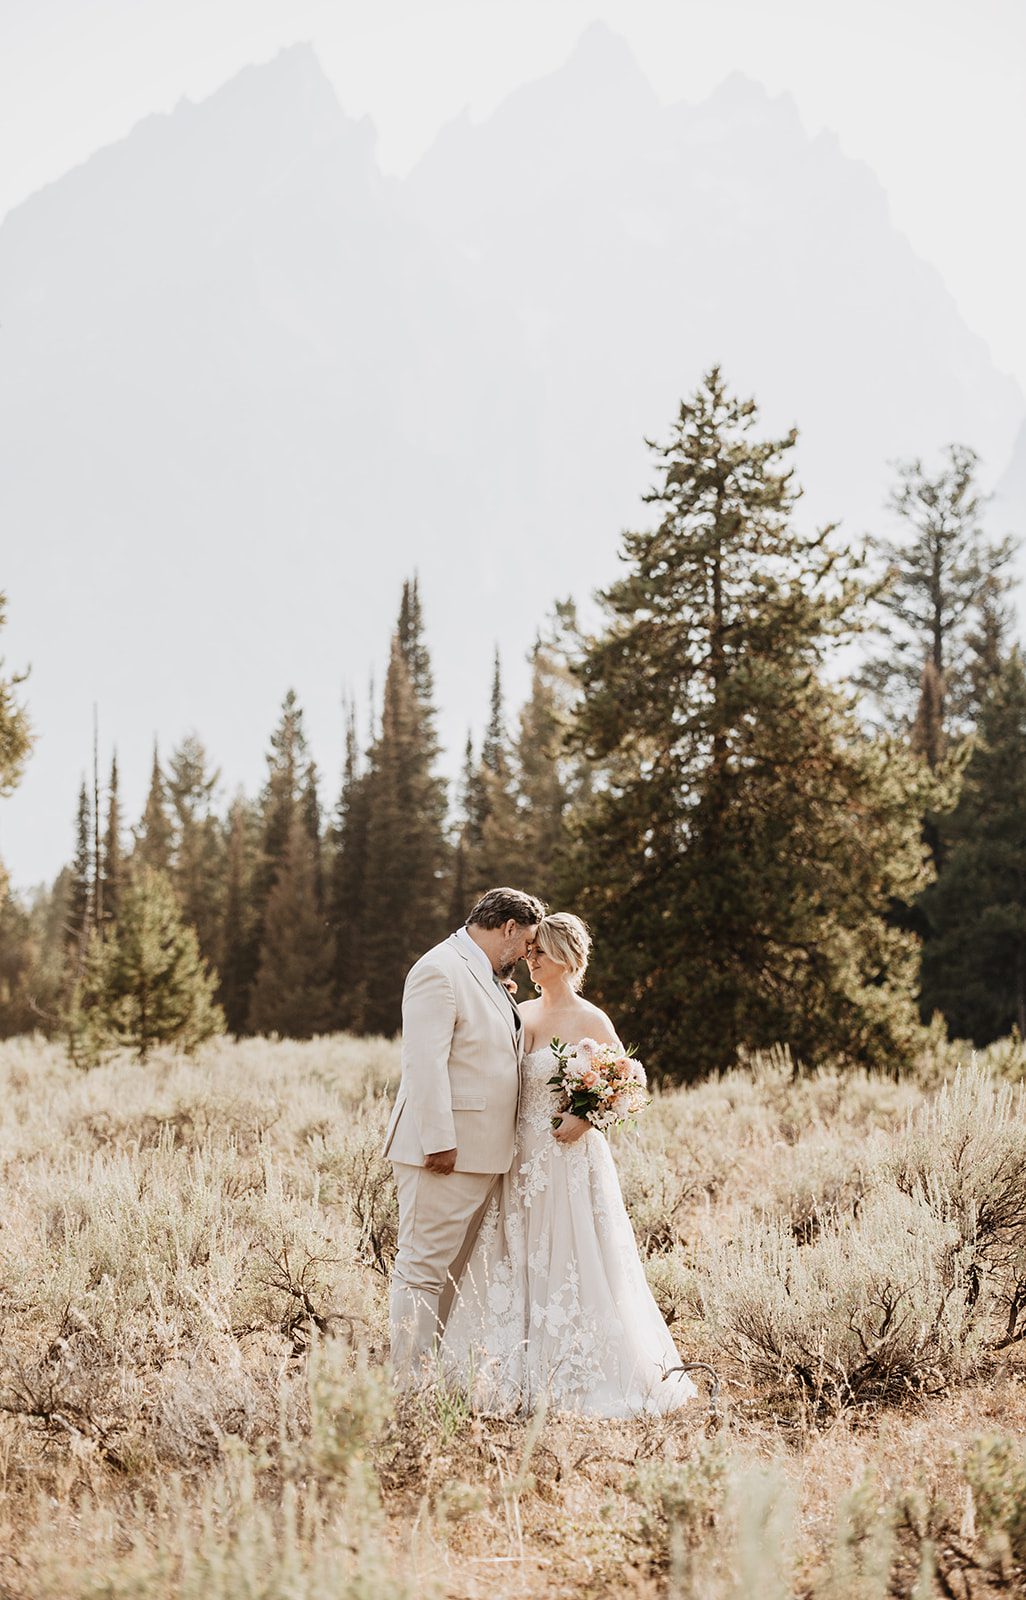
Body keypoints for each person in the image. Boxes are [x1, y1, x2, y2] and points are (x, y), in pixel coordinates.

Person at [440, 911, 698, 1416]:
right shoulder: (521, 1013)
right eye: (529, 951)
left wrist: (586, 1116)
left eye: (539, 952)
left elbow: (629, 1084)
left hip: (571, 1159)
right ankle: (502, 1369)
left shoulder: (592, 1020)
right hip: (520, 1159)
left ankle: (584, 1372)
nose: (528, 957)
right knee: (515, 1252)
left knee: (576, 1255)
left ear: (564, 959)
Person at [384, 886, 545, 1385]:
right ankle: (406, 1384)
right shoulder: (438, 970)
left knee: (452, 1272)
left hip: (482, 1153)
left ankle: (432, 1373)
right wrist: (438, 1141)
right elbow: (423, 1063)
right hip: (445, 1152)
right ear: (508, 928)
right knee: (422, 1267)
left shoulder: (487, 975)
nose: (526, 955)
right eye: (526, 943)